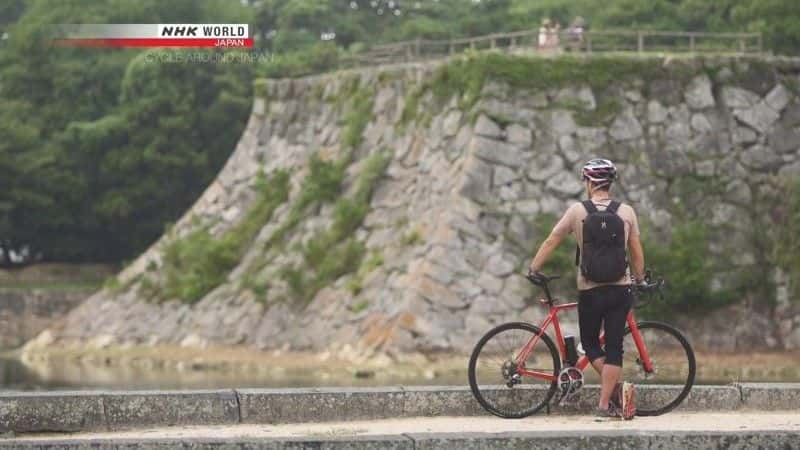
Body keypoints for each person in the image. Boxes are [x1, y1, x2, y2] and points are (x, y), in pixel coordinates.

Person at [528, 158, 645, 419]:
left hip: (590, 290)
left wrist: (534, 268)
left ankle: (611, 398)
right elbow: (636, 251)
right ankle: (606, 404)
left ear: (590, 183)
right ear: (610, 182)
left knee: (591, 345)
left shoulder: (577, 212)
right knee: (614, 348)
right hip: (620, 289)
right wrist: (639, 278)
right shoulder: (626, 212)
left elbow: (552, 240)